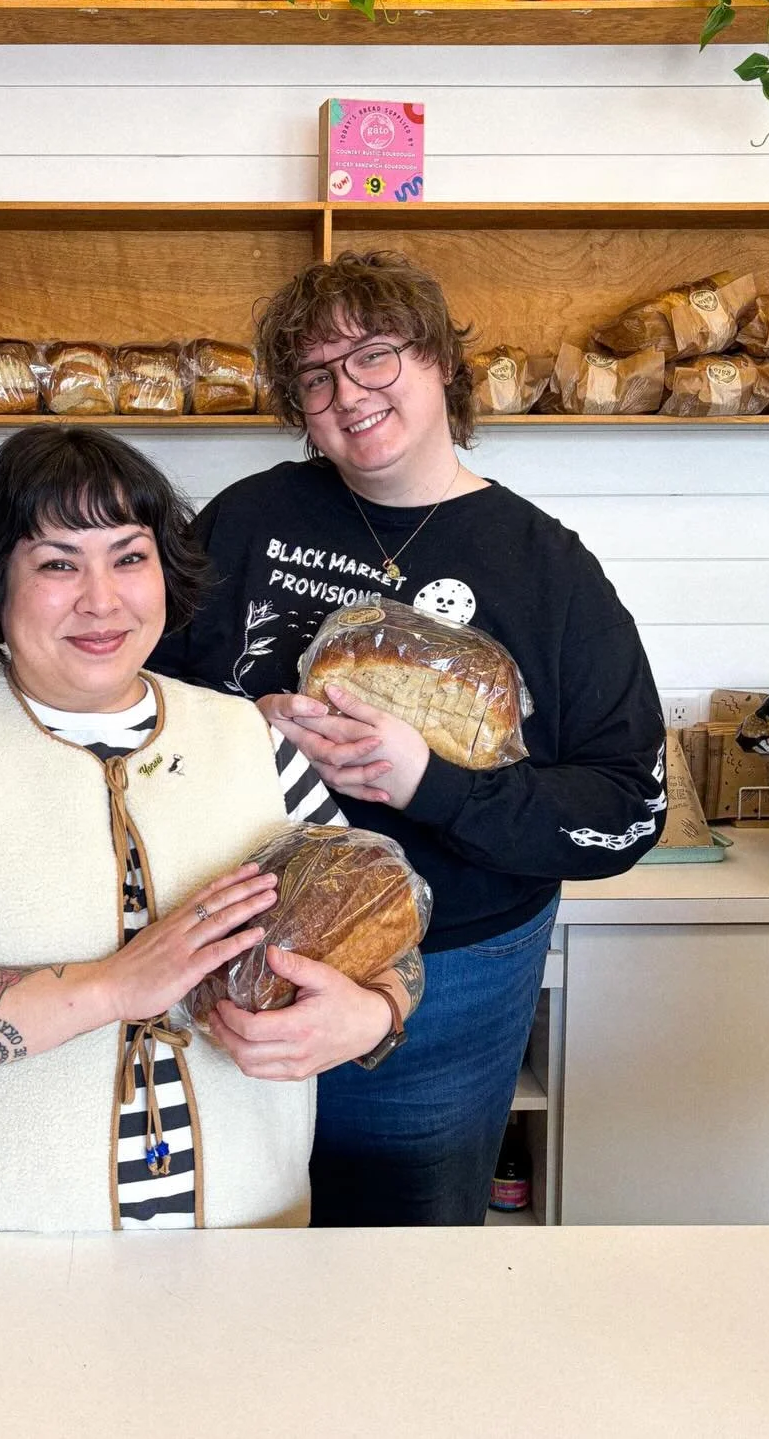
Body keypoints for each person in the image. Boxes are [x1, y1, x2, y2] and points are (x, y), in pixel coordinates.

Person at [151, 251, 667, 1227]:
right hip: (232, 943)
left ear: (437, 363)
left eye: (375, 357)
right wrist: (242, 730)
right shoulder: (250, 520)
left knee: (401, 1247)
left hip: (450, 979)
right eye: (316, 375)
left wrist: (431, 781)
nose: (348, 393)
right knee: (219, 1238)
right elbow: (137, 707)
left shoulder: (544, 567)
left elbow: (625, 806)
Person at [0, 425, 424, 1233]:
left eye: (129, 557)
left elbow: (388, 941)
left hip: (244, 1245)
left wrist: (369, 1015)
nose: (102, 599)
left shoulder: (255, 744)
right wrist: (114, 986)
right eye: (58, 563)